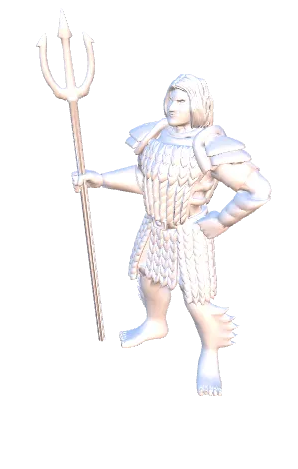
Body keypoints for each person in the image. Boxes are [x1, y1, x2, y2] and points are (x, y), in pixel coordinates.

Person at [72, 74, 271, 396]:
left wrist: (222, 220)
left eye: (181, 100)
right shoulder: (154, 136)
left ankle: (210, 354)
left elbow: (258, 190)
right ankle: (155, 324)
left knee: (198, 301)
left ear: (198, 104)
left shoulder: (211, 145)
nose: (172, 106)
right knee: (150, 281)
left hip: (190, 231)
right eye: (170, 98)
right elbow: (145, 180)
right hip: (156, 227)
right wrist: (102, 179)